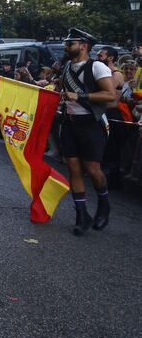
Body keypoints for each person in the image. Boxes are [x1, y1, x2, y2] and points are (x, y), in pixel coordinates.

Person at [59, 28, 117, 236]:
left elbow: (110, 96)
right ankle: (82, 215)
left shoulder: (97, 67)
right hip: (70, 122)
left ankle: (104, 204)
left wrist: (80, 95)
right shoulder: (66, 67)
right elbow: (65, 91)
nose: (66, 47)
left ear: (83, 46)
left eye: (70, 43)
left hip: (91, 123)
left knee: (92, 169)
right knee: (73, 167)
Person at [97, 46, 127, 189]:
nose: (97, 57)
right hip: (103, 113)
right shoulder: (102, 73)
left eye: (101, 55)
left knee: (112, 148)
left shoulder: (116, 74)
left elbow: (107, 94)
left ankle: (114, 180)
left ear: (110, 58)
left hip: (112, 114)